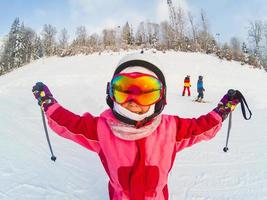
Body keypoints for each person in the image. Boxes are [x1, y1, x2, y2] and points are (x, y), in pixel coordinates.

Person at [32, 52, 240, 200]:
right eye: (123, 90)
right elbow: (70, 124)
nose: (133, 100)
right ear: (111, 94)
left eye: (146, 90)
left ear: (161, 96)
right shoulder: (102, 129)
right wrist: (49, 104)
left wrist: (222, 109)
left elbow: (200, 127)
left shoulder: (171, 129)